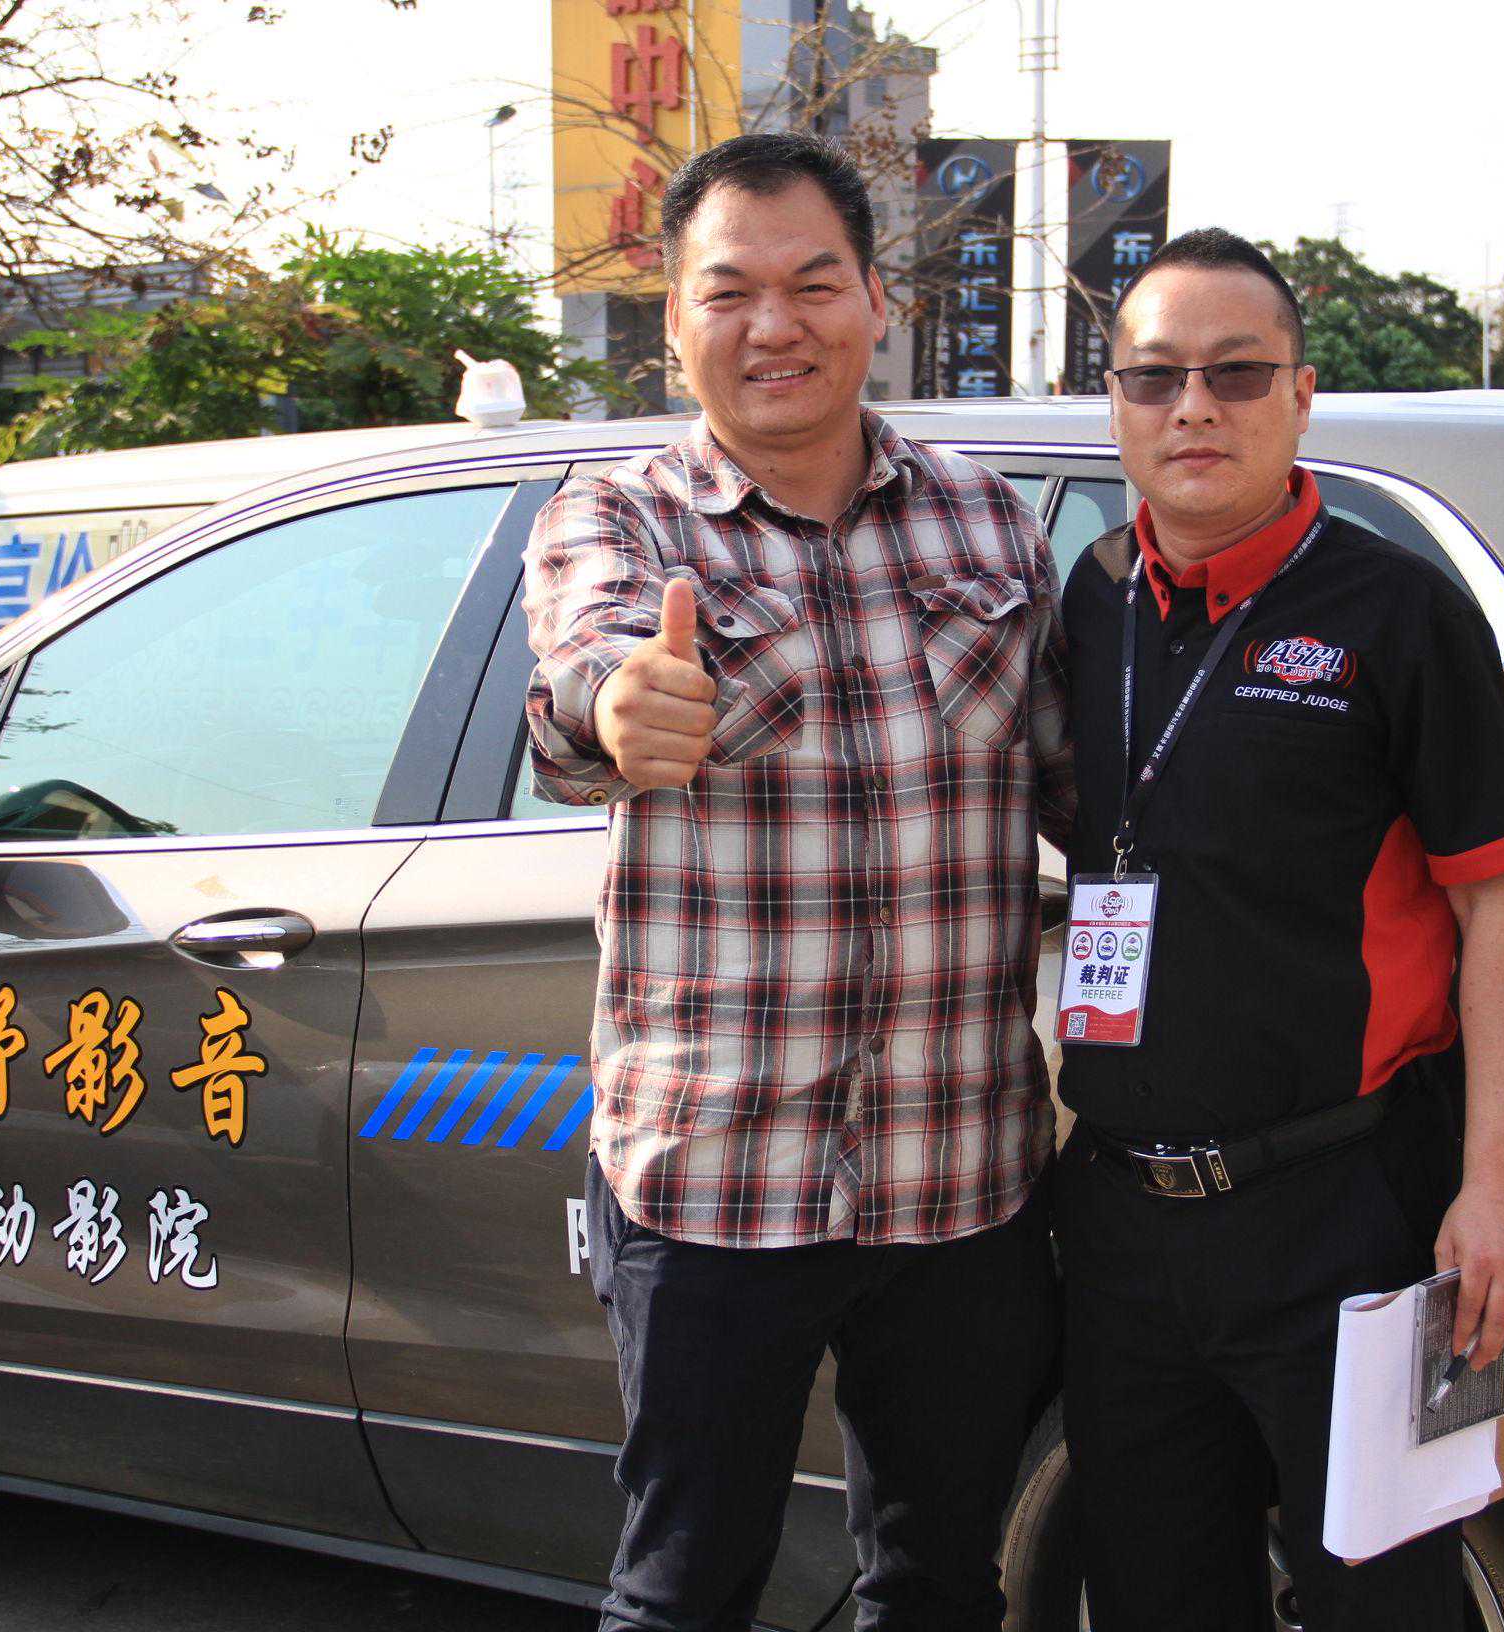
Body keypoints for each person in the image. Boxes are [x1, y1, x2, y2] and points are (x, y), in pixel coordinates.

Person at [521, 132, 1074, 1632]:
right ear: (675, 319)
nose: (775, 326)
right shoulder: (616, 518)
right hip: (716, 1178)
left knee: (942, 1584)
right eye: (730, 292)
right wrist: (620, 707)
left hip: (961, 1172)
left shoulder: (988, 521)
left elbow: (1085, 790)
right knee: (684, 1587)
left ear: (878, 301)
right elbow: (587, 671)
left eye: (814, 284)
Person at [1053, 227, 1504, 1632]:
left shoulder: (1396, 612)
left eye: (1235, 373)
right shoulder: (1092, 597)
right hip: (1122, 1220)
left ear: (1300, 394)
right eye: (1154, 377)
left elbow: (1502, 905)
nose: (1192, 409)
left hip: (1343, 1217)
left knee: (1382, 1606)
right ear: (1114, 399)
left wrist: (1495, 1187)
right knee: (1151, 1599)